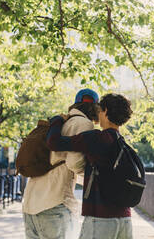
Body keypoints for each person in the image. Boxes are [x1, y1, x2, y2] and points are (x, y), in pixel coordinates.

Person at [46, 93, 133, 239]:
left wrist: (56, 120)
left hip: (100, 219)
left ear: (105, 111)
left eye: (99, 109)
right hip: (125, 219)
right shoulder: (124, 145)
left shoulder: (96, 138)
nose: (97, 112)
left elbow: (54, 142)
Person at [23, 88, 99, 239]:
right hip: (54, 203)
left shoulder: (59, 123)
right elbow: (75, 163)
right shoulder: (84, 124)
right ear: (95, 108)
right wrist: (95, 180)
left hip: (30, 204)